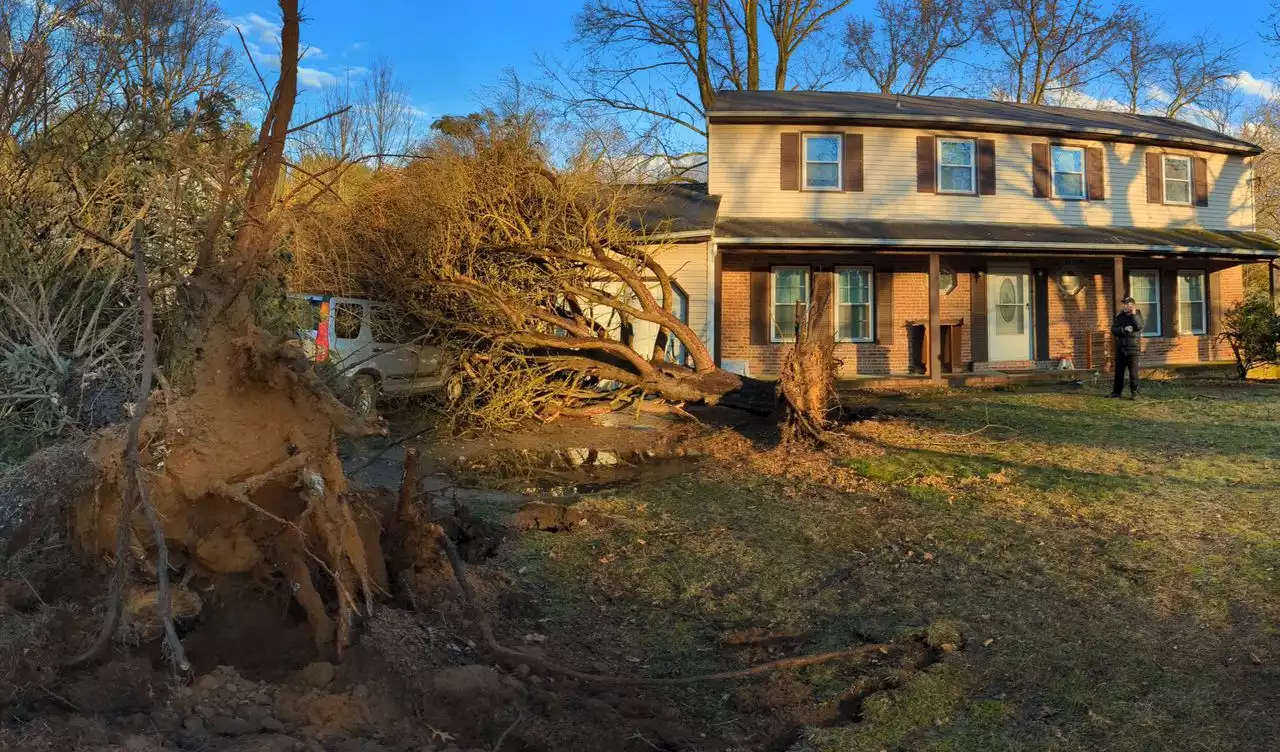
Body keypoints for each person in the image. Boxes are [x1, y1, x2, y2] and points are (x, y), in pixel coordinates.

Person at [1110, 295, 1144, 399]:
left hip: (1133, 349)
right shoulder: (1120, 316)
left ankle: (1135, 394)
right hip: (1121, 348)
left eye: (1128, 304)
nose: (1126, 306)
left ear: (1132, 305)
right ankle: (1116, 393)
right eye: (1124, 304)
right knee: (1119, 373)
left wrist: (1133, 315)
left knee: (1133, 374)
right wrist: (1124, 329)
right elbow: (1113, 329)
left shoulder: (1137, 315)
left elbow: (1139, 326)